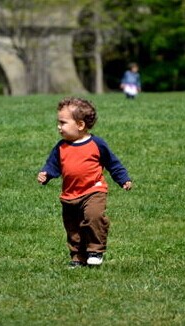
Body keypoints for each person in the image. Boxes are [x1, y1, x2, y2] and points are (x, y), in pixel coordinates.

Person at [37, 97, 132, 268]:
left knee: (93, 217)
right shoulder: (61, 147)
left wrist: (123, 179)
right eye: (58, 122)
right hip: (70, 194)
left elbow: (113, 164)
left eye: (63, 123)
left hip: (93, 190)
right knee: (72, 228)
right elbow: (53, 165)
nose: (59, 127)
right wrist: (46, 174)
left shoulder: (97, 144)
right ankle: (78, 257)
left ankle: (95, 250)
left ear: (80, 125)